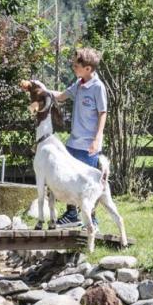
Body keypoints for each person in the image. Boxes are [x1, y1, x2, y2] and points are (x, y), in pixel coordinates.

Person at [47, 47, 107, 227]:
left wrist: (97, 139)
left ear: (88, 68)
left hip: (89, 145)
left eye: (76, 65)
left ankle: (93, 220)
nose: (73, 67)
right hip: (73, 142)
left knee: (88, 184)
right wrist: (42, 89)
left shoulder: (98, 87)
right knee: (69, 179)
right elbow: (62, 96)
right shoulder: (78, 84)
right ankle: (72, 215)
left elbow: (103, 113)